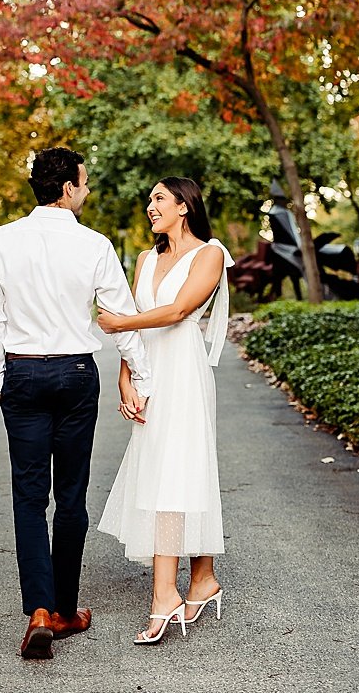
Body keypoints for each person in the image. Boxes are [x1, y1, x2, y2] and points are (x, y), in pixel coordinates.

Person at [0, 146, 154, 660]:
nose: (89, 189)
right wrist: (141, 376)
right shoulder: (94, 245)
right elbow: (119, 315)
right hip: (76, 374)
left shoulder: (2, 240)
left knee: (29, 497)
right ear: (69, 189)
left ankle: (38, 609)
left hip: (22, 372)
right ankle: (65, 611)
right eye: (86, 181)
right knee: (71, 494)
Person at [95, 177, 231, 645]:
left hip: (184, 373)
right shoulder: (145, 258)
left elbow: (177, 311)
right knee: (161, 468)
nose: (149, 206)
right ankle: (200, 581)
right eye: (149, 200)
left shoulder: (209, 253)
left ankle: (165, 595)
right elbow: (136, 328)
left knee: (177, 470)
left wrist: (118, 322)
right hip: (150, 369)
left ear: (184, 206)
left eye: (158, 199)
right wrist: (125, 375)